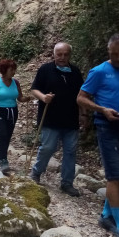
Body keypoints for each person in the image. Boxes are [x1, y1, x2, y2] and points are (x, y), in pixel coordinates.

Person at [77, 33, 119, 237]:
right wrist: (102, 110)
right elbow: (81, 98)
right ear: (108, 51)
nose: (118, 58)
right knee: (114, 175)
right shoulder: (98, 71)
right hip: (107, 127)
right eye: (114, 54)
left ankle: (106, 215)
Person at [30, 43, 83, 197]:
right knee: (48, 147)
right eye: (59, 54)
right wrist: (43, 97)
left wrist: (83, 114)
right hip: (50, 118)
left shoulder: (75, 72)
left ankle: (67, 183)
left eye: (66, 54)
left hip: (71, 119)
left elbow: (82, 95)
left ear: (70, 55)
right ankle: (36, 172)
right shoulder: (45, 69)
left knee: (70, 152)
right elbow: (34, 89)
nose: (62, 57)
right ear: (54, 54)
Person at [0, 59, 31, 173]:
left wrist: (28, 98)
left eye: (14, 69)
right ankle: (2, 159)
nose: (14, 72)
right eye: (11, 69)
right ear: (4, 70)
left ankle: (3, 157)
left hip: (12, 112)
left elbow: (20, 98)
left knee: (8, 136)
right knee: (2, 133)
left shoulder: (16, 82)